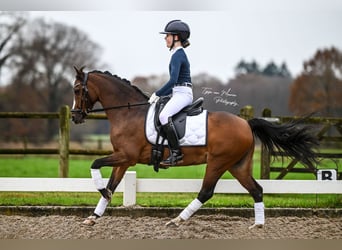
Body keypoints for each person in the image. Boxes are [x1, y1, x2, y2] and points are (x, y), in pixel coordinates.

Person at [148, 19, 193, 166]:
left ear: (176, 37)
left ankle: (176, 153)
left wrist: (157, 94)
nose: (165, 38)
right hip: (178, 92)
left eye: (167, 35)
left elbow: (173, 80)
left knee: (164, 115)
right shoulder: (176, 54)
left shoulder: (178, 55)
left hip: (183, 93)